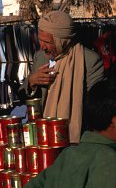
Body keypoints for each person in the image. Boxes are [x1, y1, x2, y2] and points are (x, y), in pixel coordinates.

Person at [19, 11, 105, 143]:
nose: (42, 46)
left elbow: (95, 106)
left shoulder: (89, 61)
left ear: (62, 40)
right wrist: (31, 81)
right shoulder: (41, 57)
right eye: (40, 40)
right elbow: (26, 98)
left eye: (47, 42)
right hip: (43, 136)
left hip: (77, 140)